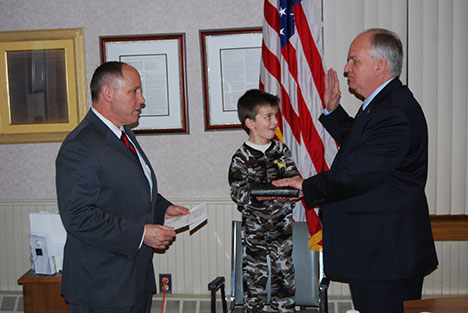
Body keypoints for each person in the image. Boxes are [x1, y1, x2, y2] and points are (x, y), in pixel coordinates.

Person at [273, 28, 438, 313]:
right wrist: (333, 111)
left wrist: (307, 186)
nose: (347, 68)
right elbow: (362, 147)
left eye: (354, 60)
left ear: (379, 66)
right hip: (379, 251)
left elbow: (358, 173)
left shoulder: (393, 111)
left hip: (385, 255)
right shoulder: (384, 105)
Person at [55, 61, 189, 313]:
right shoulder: (80, 146)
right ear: (108, 93)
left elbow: (129, 187)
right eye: (134, 91)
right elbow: (78, 216)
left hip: (134, 280)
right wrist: (141, 234)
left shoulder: (123, 133)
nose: (142, 99)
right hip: (102, 287)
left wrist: (163, 208)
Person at [228, 89, 298, 313]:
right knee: (255, 284)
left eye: (275, 116)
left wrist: (292, 190)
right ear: (250, 122)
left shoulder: (282, 151)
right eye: (268, 117)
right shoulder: (242, 157)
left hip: (282, 230)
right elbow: (238, 192)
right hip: (255, 233)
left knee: (285, 280)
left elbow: (293, 183)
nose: (274, 122)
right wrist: (262, 194)